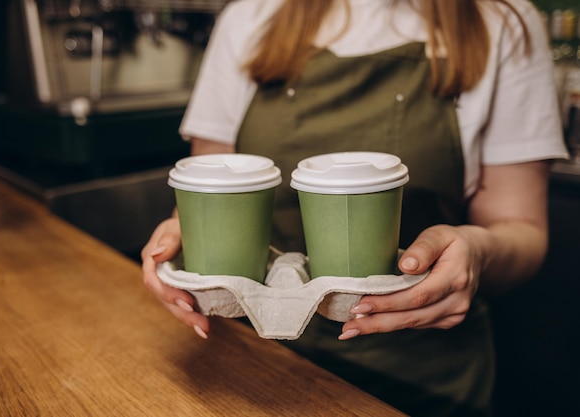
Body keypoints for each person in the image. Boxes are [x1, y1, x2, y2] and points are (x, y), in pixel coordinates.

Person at [141, 1, 569, 416]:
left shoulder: (500, 21)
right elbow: (212, 183)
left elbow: (520, 227)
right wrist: (181, 236)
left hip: (421, 381)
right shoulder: (250, 17)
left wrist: (477, 251)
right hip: (256, 366)